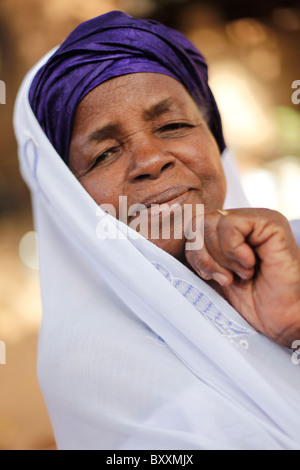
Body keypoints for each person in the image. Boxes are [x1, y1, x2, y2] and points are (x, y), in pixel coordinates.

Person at [14, 11, 300, 450]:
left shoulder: (290, 250)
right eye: (105, 153)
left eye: (173, 126)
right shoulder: (99, 369)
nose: (150, 159)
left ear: (214, 140)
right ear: (69, 199)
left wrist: (293, 327)